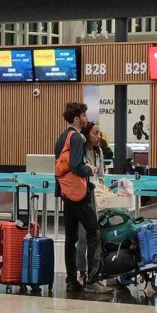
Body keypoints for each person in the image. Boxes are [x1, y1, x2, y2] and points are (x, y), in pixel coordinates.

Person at [54, 102, 106, 294]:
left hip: (66, 194)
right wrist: (89, 169)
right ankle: (92, 280)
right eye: (84, 115)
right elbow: (76, 166)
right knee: (94, 233)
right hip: (79, 194)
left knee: (71, 238)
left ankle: (71, 280)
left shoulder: (62, 138)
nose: (86, 119)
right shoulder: (76, 137)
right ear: (76, 118)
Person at [76, 122, 114, 294]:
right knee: (82, 237)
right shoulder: (80, 152)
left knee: (97, 236)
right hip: (83, 196)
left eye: (100, 133)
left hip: (97, 197)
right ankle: (82, 271)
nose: (99, 136)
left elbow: (101, 176)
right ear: (87, 134)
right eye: (95, 133)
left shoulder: (99, 152)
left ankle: (97, 272)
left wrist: (102, 189)